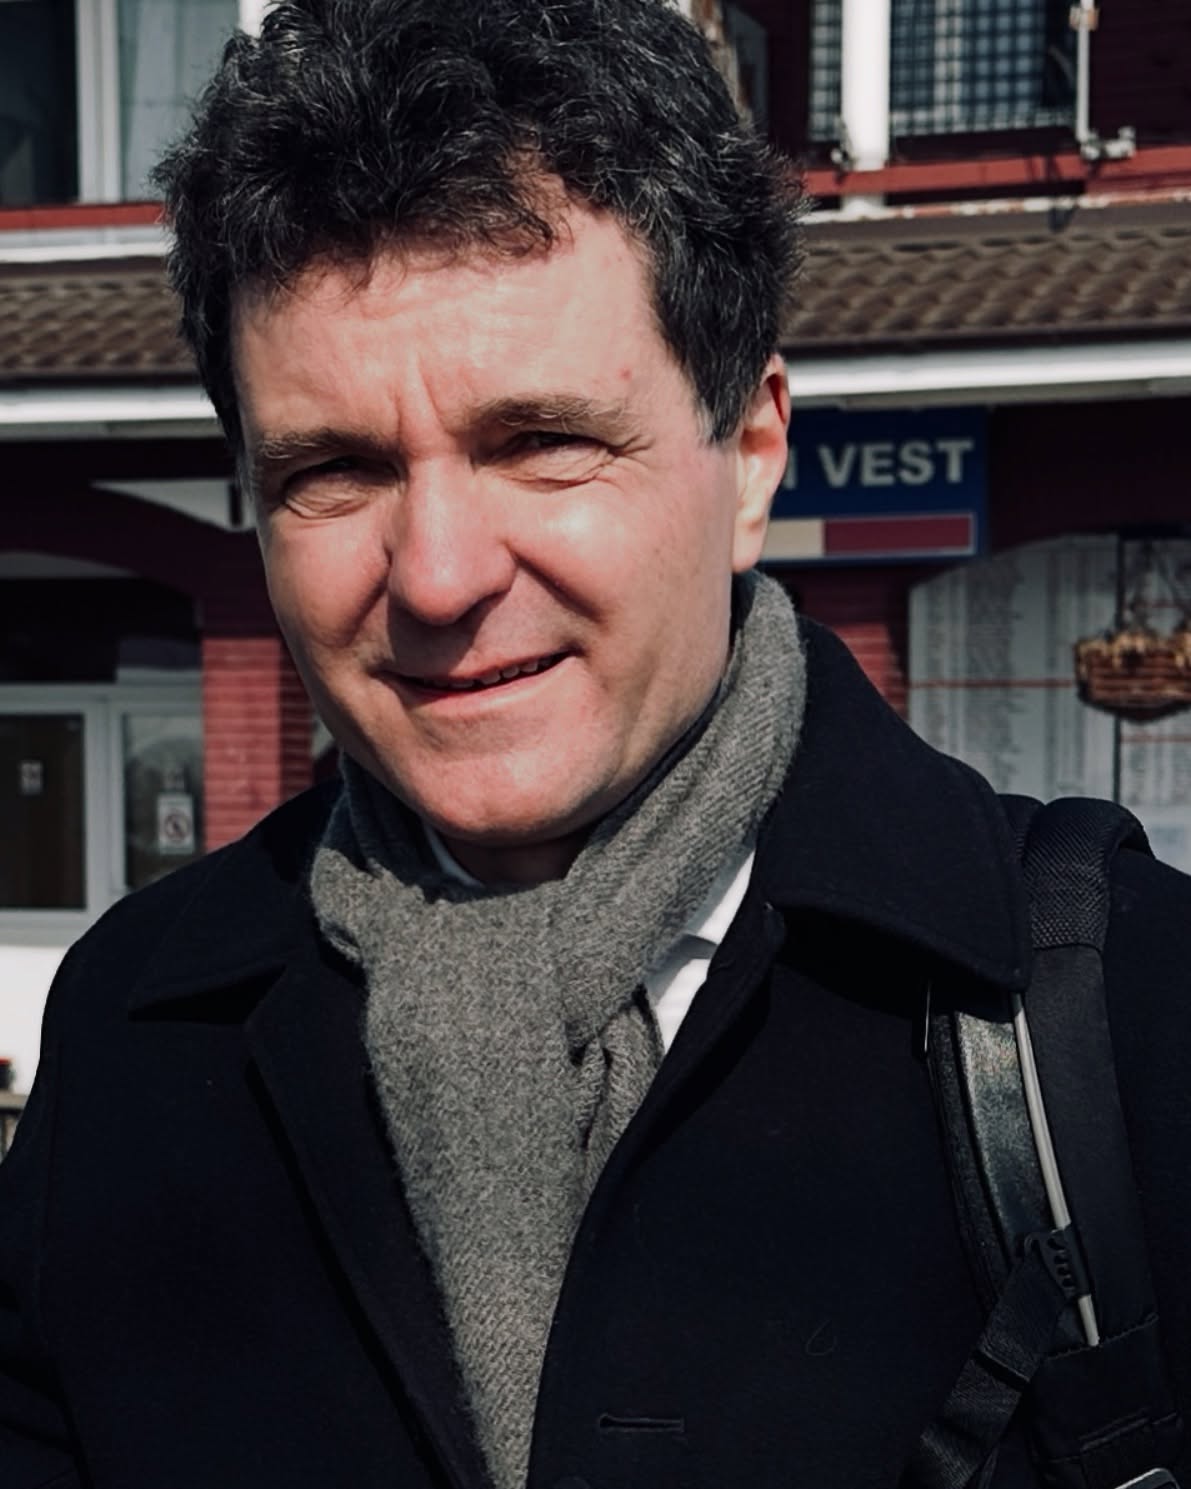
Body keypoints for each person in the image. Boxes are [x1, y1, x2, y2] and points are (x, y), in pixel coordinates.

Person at [2, 2, 1190, 1486]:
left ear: (750, 453)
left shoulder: (1121, 1012)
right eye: (335, 469)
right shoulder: (131, 1039)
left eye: (542, 442)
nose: (439, 577)